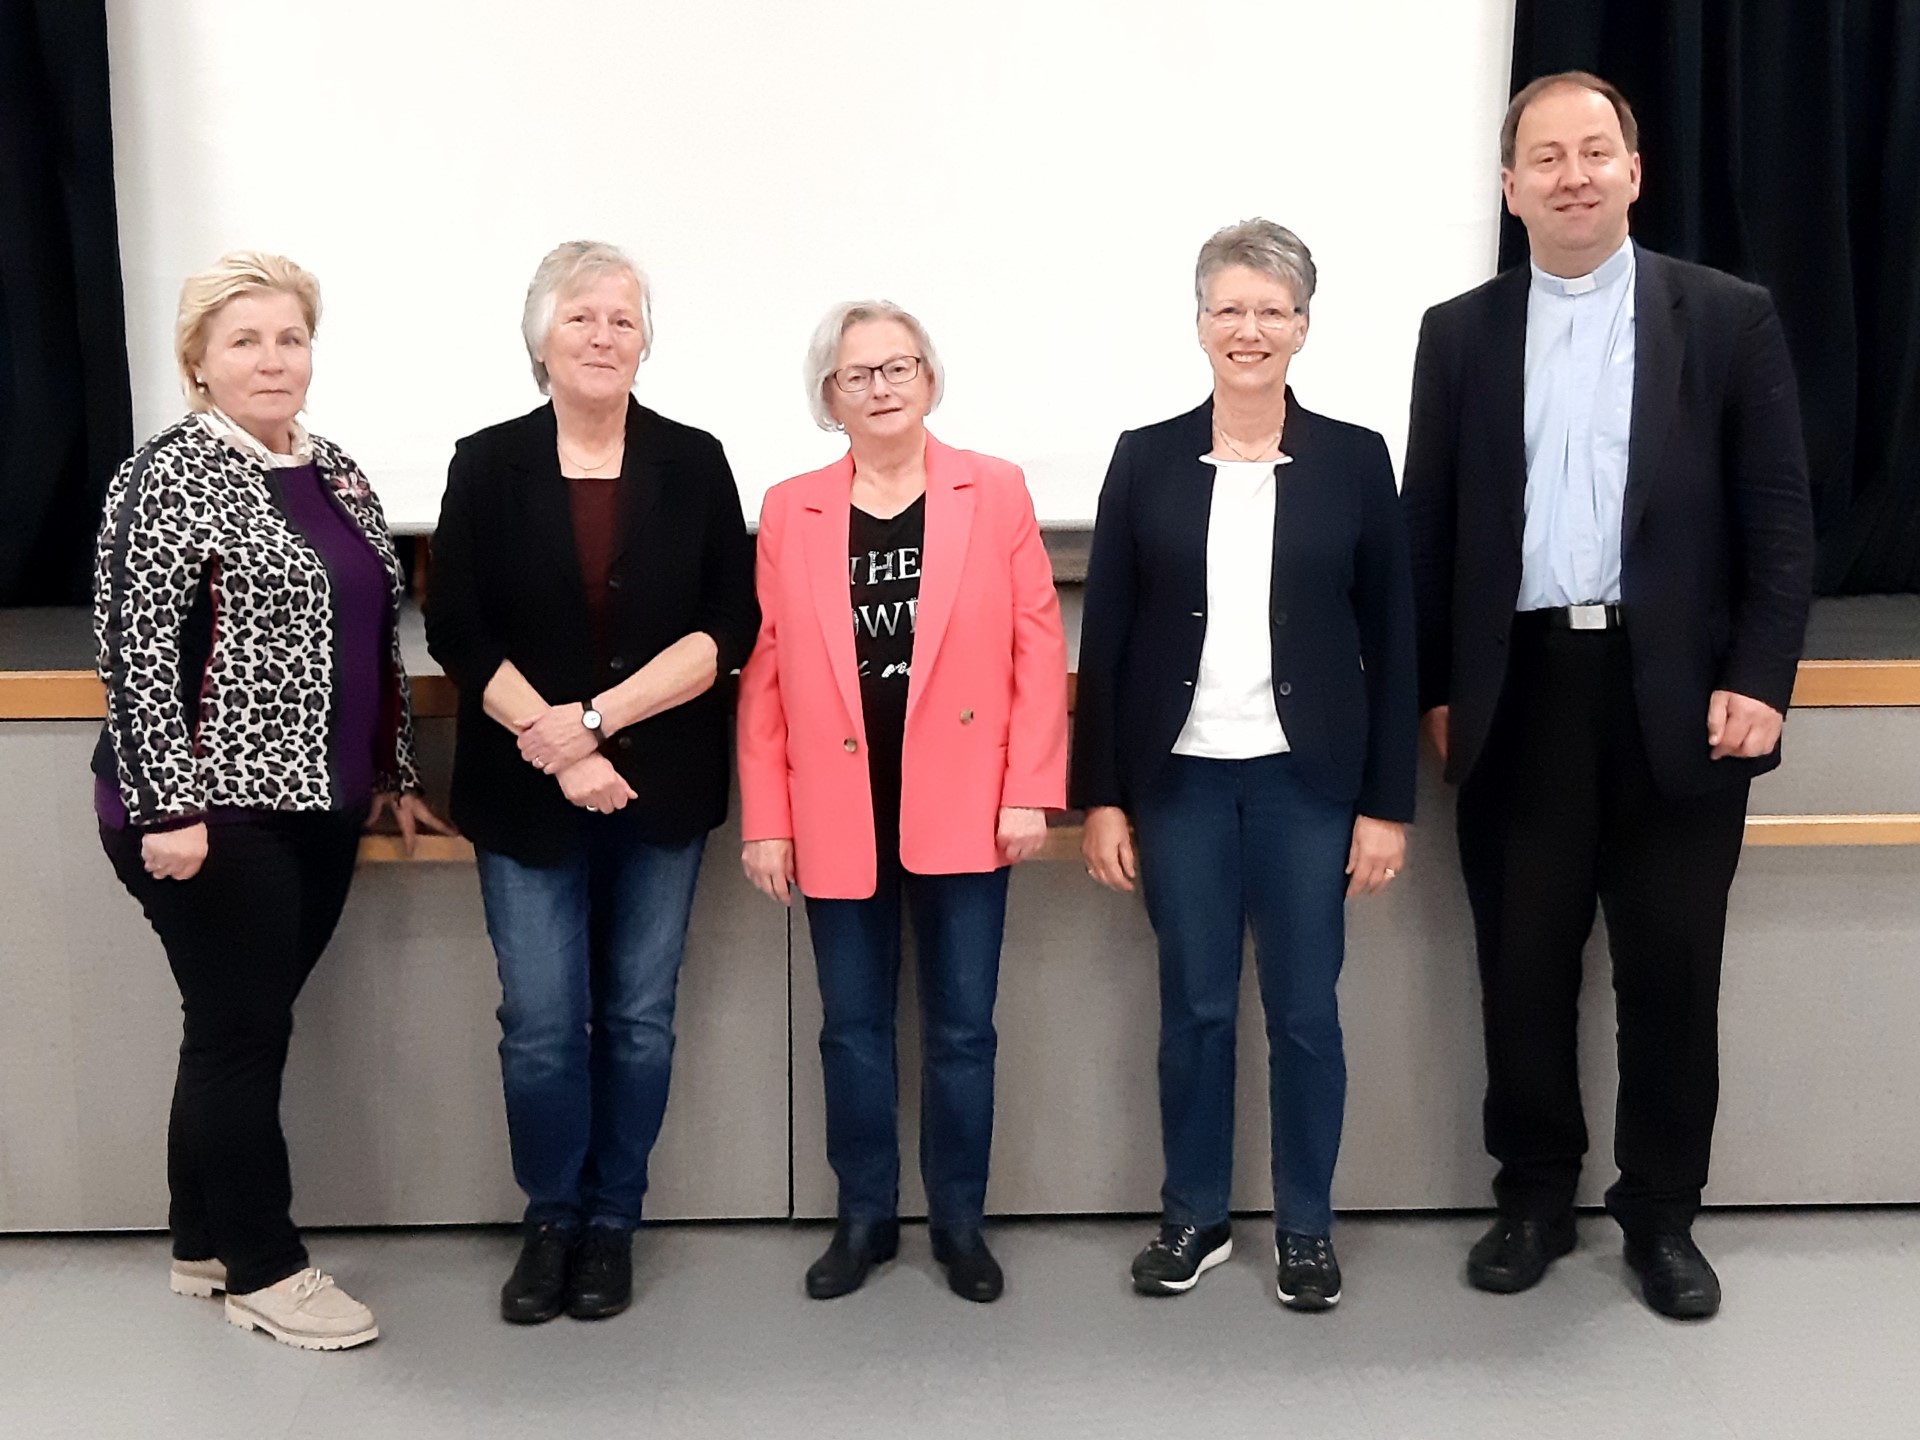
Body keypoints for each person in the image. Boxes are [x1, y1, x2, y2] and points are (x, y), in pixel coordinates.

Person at [1402, 72, 1815, 1319]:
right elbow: (1433, 528)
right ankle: (1532, 1197)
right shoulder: (1460, 332)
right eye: (1545, 156)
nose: (1571, 174)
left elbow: (1782, 526)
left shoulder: (1728, 318)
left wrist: (1760, 678)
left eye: (1595, 152)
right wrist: (1436, 689)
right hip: (1519, 696)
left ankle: (1662, 1216)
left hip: (1681, 699)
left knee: (1672, 970)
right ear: (1510, 185)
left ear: (1636, 171)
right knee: (1522, 966)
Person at [93, 250, 445, 1351]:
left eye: (289, 337)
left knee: (238, 1027)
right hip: (210, 813)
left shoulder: (331, 469)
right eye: (244, 340)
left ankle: (201, 1238)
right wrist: (167, 811)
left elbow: (371, 639)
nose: (272, 358)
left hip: (321, 806)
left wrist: (394, 780)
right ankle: (265, 1268)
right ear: (198, 359)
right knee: (242, 1032)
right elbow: (135, 654)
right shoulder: (163, 478)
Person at [1071, 220, 1417, 1312]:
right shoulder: (1146, 455)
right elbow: (1112, 639)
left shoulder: (1357, 458)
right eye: (1231, 308)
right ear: (1201, 324)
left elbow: (1395, 642)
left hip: (1305, 786)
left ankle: (1305, 1229)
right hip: (1179, 784)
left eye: (1273, 310)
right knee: (1196, 1012)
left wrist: (1386, 808)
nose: (1250, 329)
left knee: (1307, 1015)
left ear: (1304, 327)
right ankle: (1196, 1217)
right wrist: (1104, 798)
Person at [425, 241, 758, 1325]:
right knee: (539, 1019)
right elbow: (459, 629)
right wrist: (558, 745)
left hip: (660, 785)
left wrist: (598, 728)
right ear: (541, 340)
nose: (604, 336)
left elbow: (728, 625)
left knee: (639, 1017)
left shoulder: (695, 460)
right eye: (581, 319)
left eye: (623, 319)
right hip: (525, 795)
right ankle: (551, 1217)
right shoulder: (485, 463)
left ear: (645, 340)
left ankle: (614, 1219)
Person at [736, 300, 1068, 1303]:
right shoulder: (791, 507)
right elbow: (767, 672)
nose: (882, 387)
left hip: (968, 803)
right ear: (828, 398)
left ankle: (959, 1224)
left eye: (900, 367)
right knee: (852, 1029)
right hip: (838, 805)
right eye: (857, 375)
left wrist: (1028, 792)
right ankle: (865, 1219)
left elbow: (1037, 645)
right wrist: (768, 817)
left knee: (964, 1028)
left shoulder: (994, 489)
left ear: (929, 378)